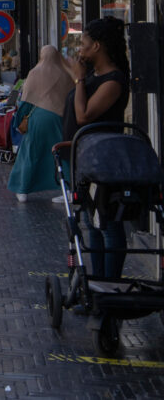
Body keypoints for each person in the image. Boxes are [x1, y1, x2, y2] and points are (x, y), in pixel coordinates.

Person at [62, 17, 131, 279]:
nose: (80, 49)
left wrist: (79, 80)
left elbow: (85, 116)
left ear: (98, 46)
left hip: (105, 161)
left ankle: (110, 284)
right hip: (84, 159)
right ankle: (96, 284)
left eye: (85, 43)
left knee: (109, 225)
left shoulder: (113, 81)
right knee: (92, 224)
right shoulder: (94, 75)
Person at [8, 46, 73, 202]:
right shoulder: (65, 74)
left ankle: (22, 189)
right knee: (61, 154)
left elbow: (26, 100)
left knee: (30, 153)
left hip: (38, 119)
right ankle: (68, 189)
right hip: (59, 118)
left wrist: (18, 121)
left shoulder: (35, 73)